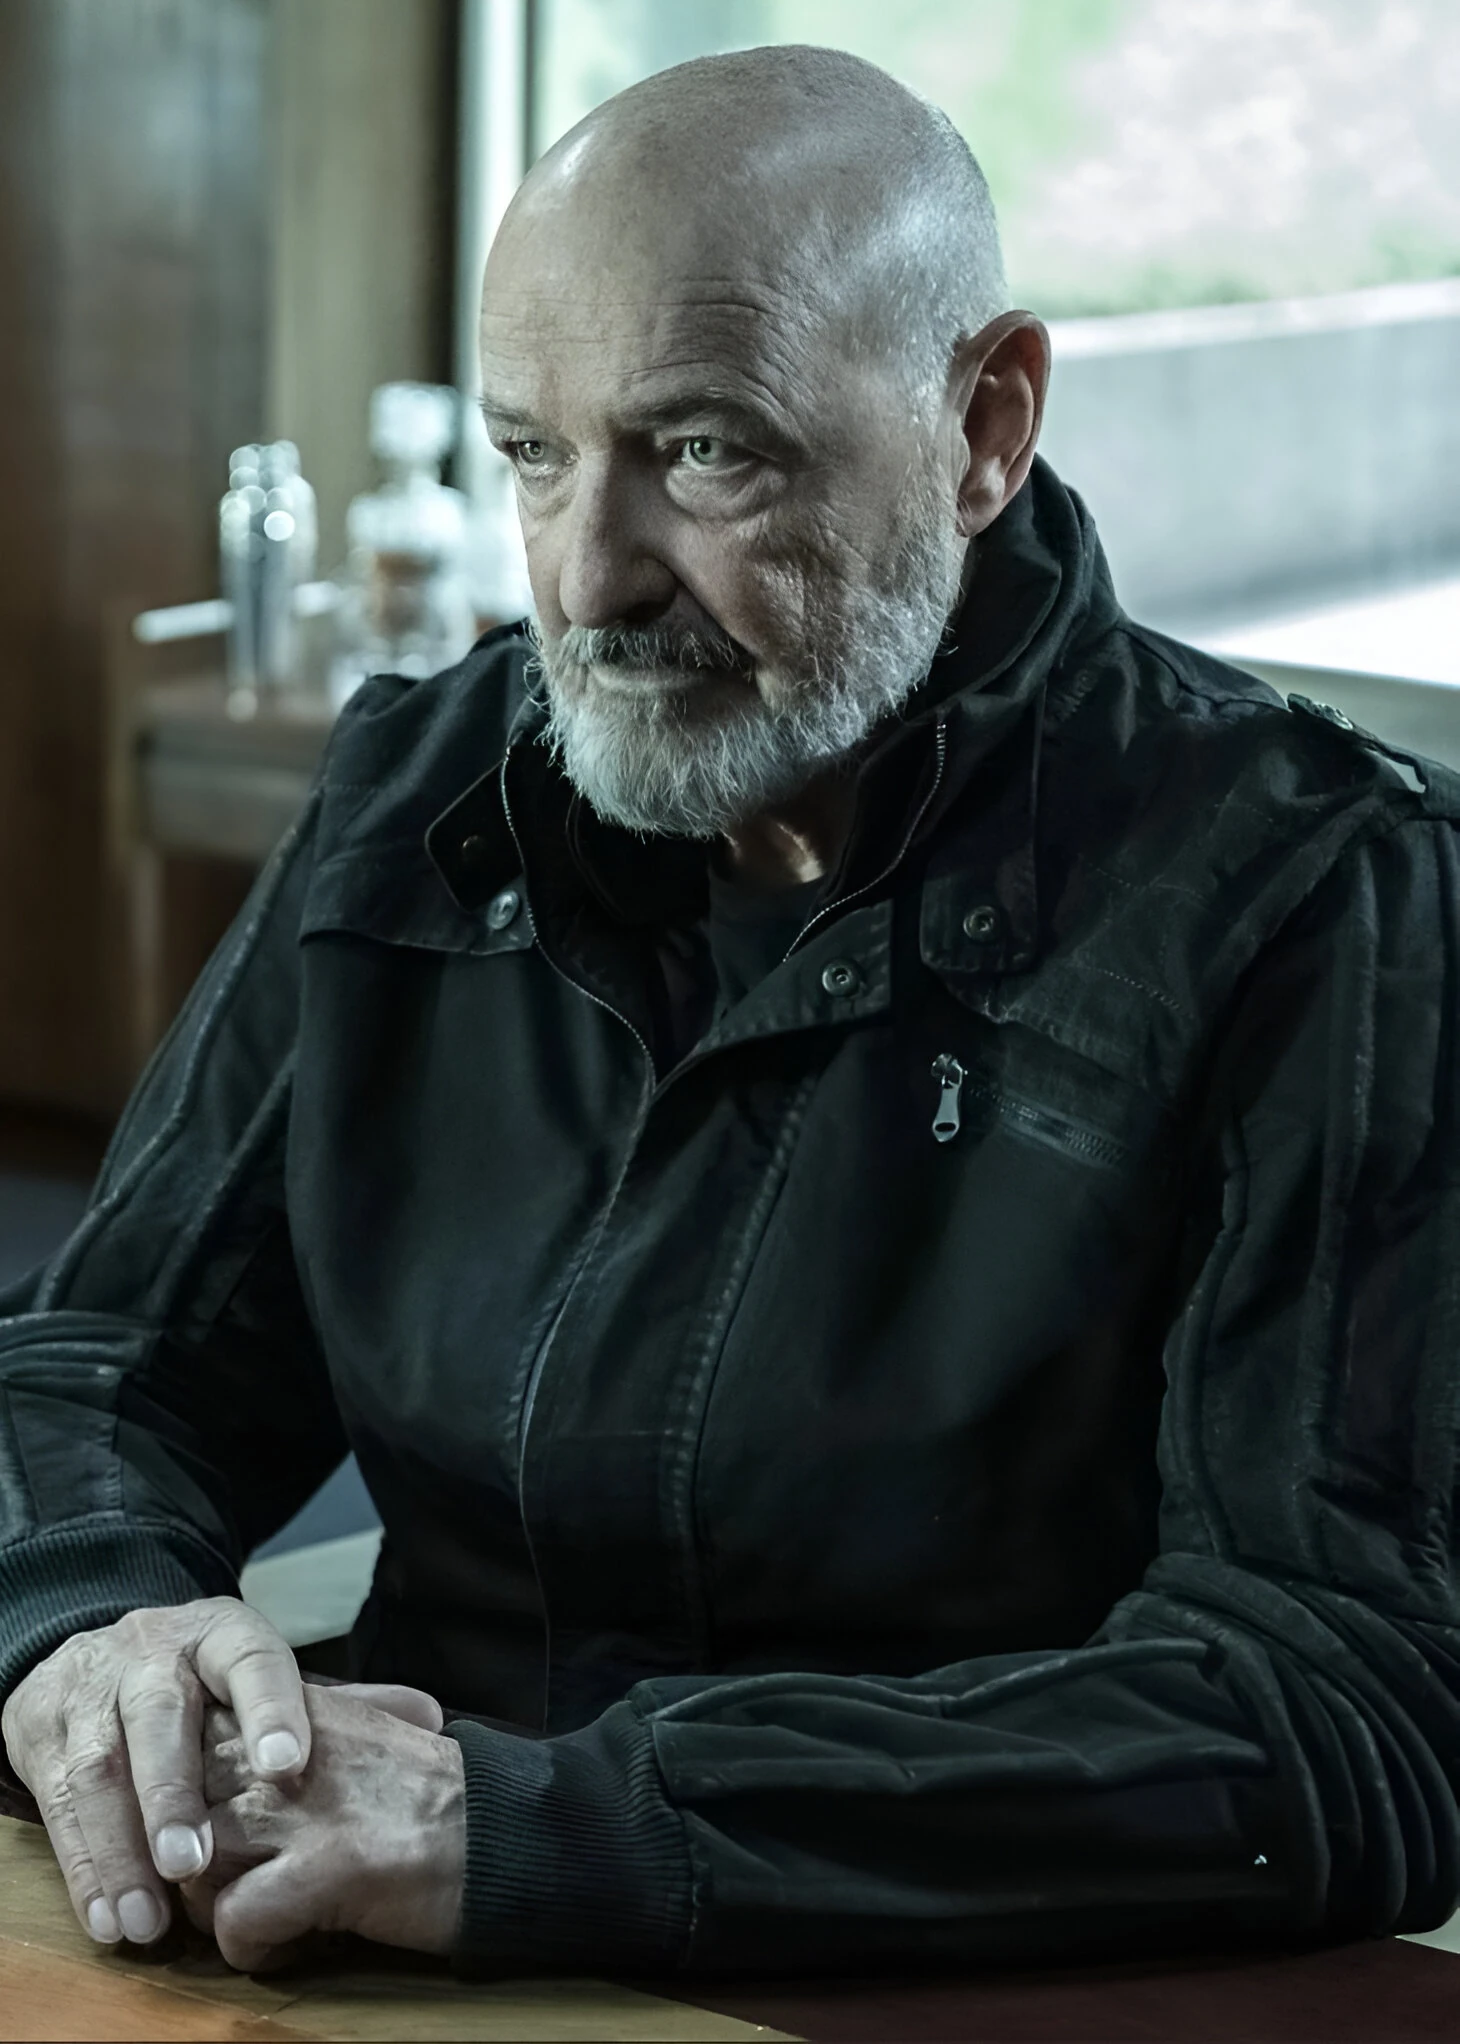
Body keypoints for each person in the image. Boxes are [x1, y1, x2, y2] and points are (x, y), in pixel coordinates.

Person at [3, 42, 1459, 1980]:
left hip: (959, 1982)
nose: (584, 580)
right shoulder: (418, 796)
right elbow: (104, 1355)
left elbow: (1337, 1701)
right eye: (533, 454)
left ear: (984, 424)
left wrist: (545, 1824)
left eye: (703, 452)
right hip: (382, 1923)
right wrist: (95, 1621)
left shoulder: (1318, 890)